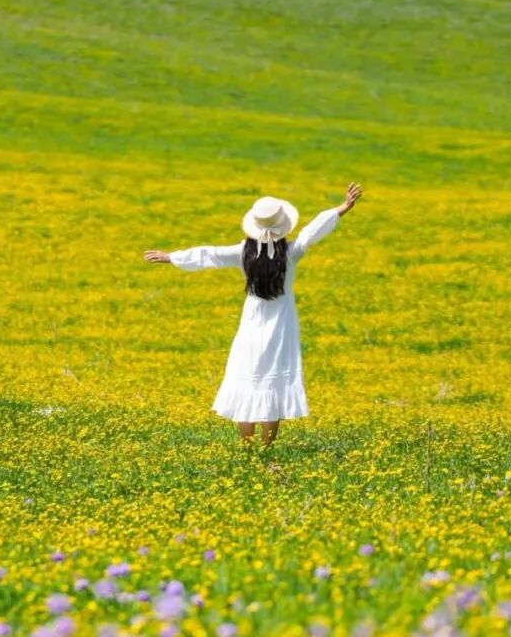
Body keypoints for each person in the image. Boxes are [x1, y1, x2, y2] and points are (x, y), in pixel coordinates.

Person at [144, 184, 363, 444]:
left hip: (252, 324)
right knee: (273, 383)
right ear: (282, 227)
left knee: (247, 378)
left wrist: (172, 257)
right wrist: (342, 208)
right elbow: (311, 232)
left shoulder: (242, 253)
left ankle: (247, 448)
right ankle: (265, 448)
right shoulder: (291, 253)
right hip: (282, 325)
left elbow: (209, 254)